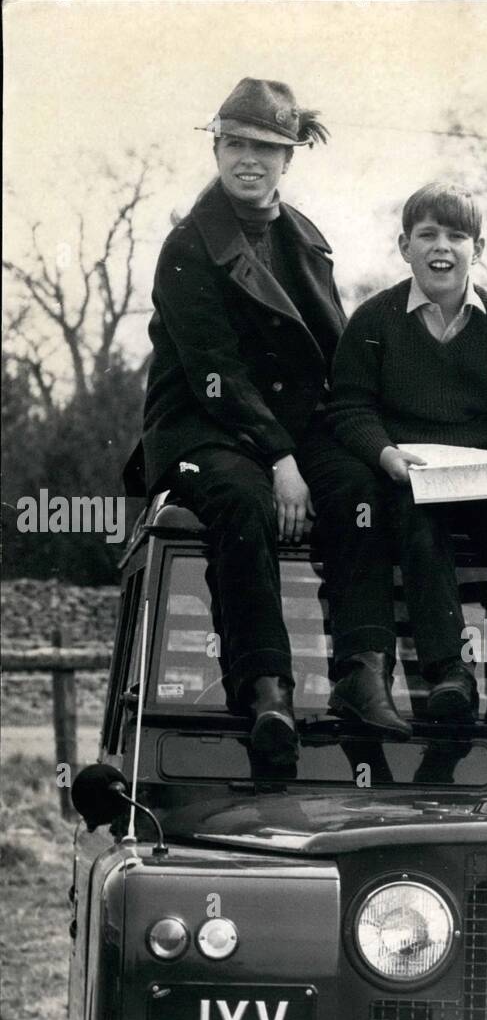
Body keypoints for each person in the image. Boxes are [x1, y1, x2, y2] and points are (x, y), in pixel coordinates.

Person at [128, 78, 401, 766]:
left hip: (292, 425)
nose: (249, 158)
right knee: (241, 502)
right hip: (203, 422)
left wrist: (371, 438)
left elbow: (334, 352)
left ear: (289, 159)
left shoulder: (306, 240)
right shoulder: (189, 245)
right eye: (237, 144)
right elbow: (214, 372)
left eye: (266, 148)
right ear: (217, 149)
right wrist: (282, 461)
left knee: (360, 489)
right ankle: (266, 691)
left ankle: (363, 674)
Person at [328, 181, 487, 723]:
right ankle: (448, 672)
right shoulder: (373, 323)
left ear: (478, 250)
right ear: (405, 247)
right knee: (416, 525)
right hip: (411, 480)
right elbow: (351, 408)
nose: (441, 247)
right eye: (427, 235)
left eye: (457, 236)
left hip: (485, 482)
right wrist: (387, 456)